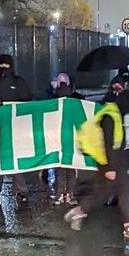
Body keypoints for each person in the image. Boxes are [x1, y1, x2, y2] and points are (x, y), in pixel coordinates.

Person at [65, 86, 129, 239]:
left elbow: (119, 142)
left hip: (115, 161)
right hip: (111, 163)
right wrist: (109, 168)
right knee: (124, 190)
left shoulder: (116, 114)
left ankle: (79, 212)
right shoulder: (110, 117)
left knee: (103, 193)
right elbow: (109, 144)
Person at [0, 54, 32, 202]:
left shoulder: (19, 82)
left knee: (16, 159)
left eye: (6, 66)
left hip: (16, 128)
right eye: (1, 66)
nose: (4, 69)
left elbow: (27, 102)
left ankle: (21, 191)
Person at [51, 73, 84, 205]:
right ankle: (69, 194)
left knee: (60, 166)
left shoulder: (53, 98)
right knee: (70, 166)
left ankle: (60, 194)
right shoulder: (77, 98)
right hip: (72, 136)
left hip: (58, 136)